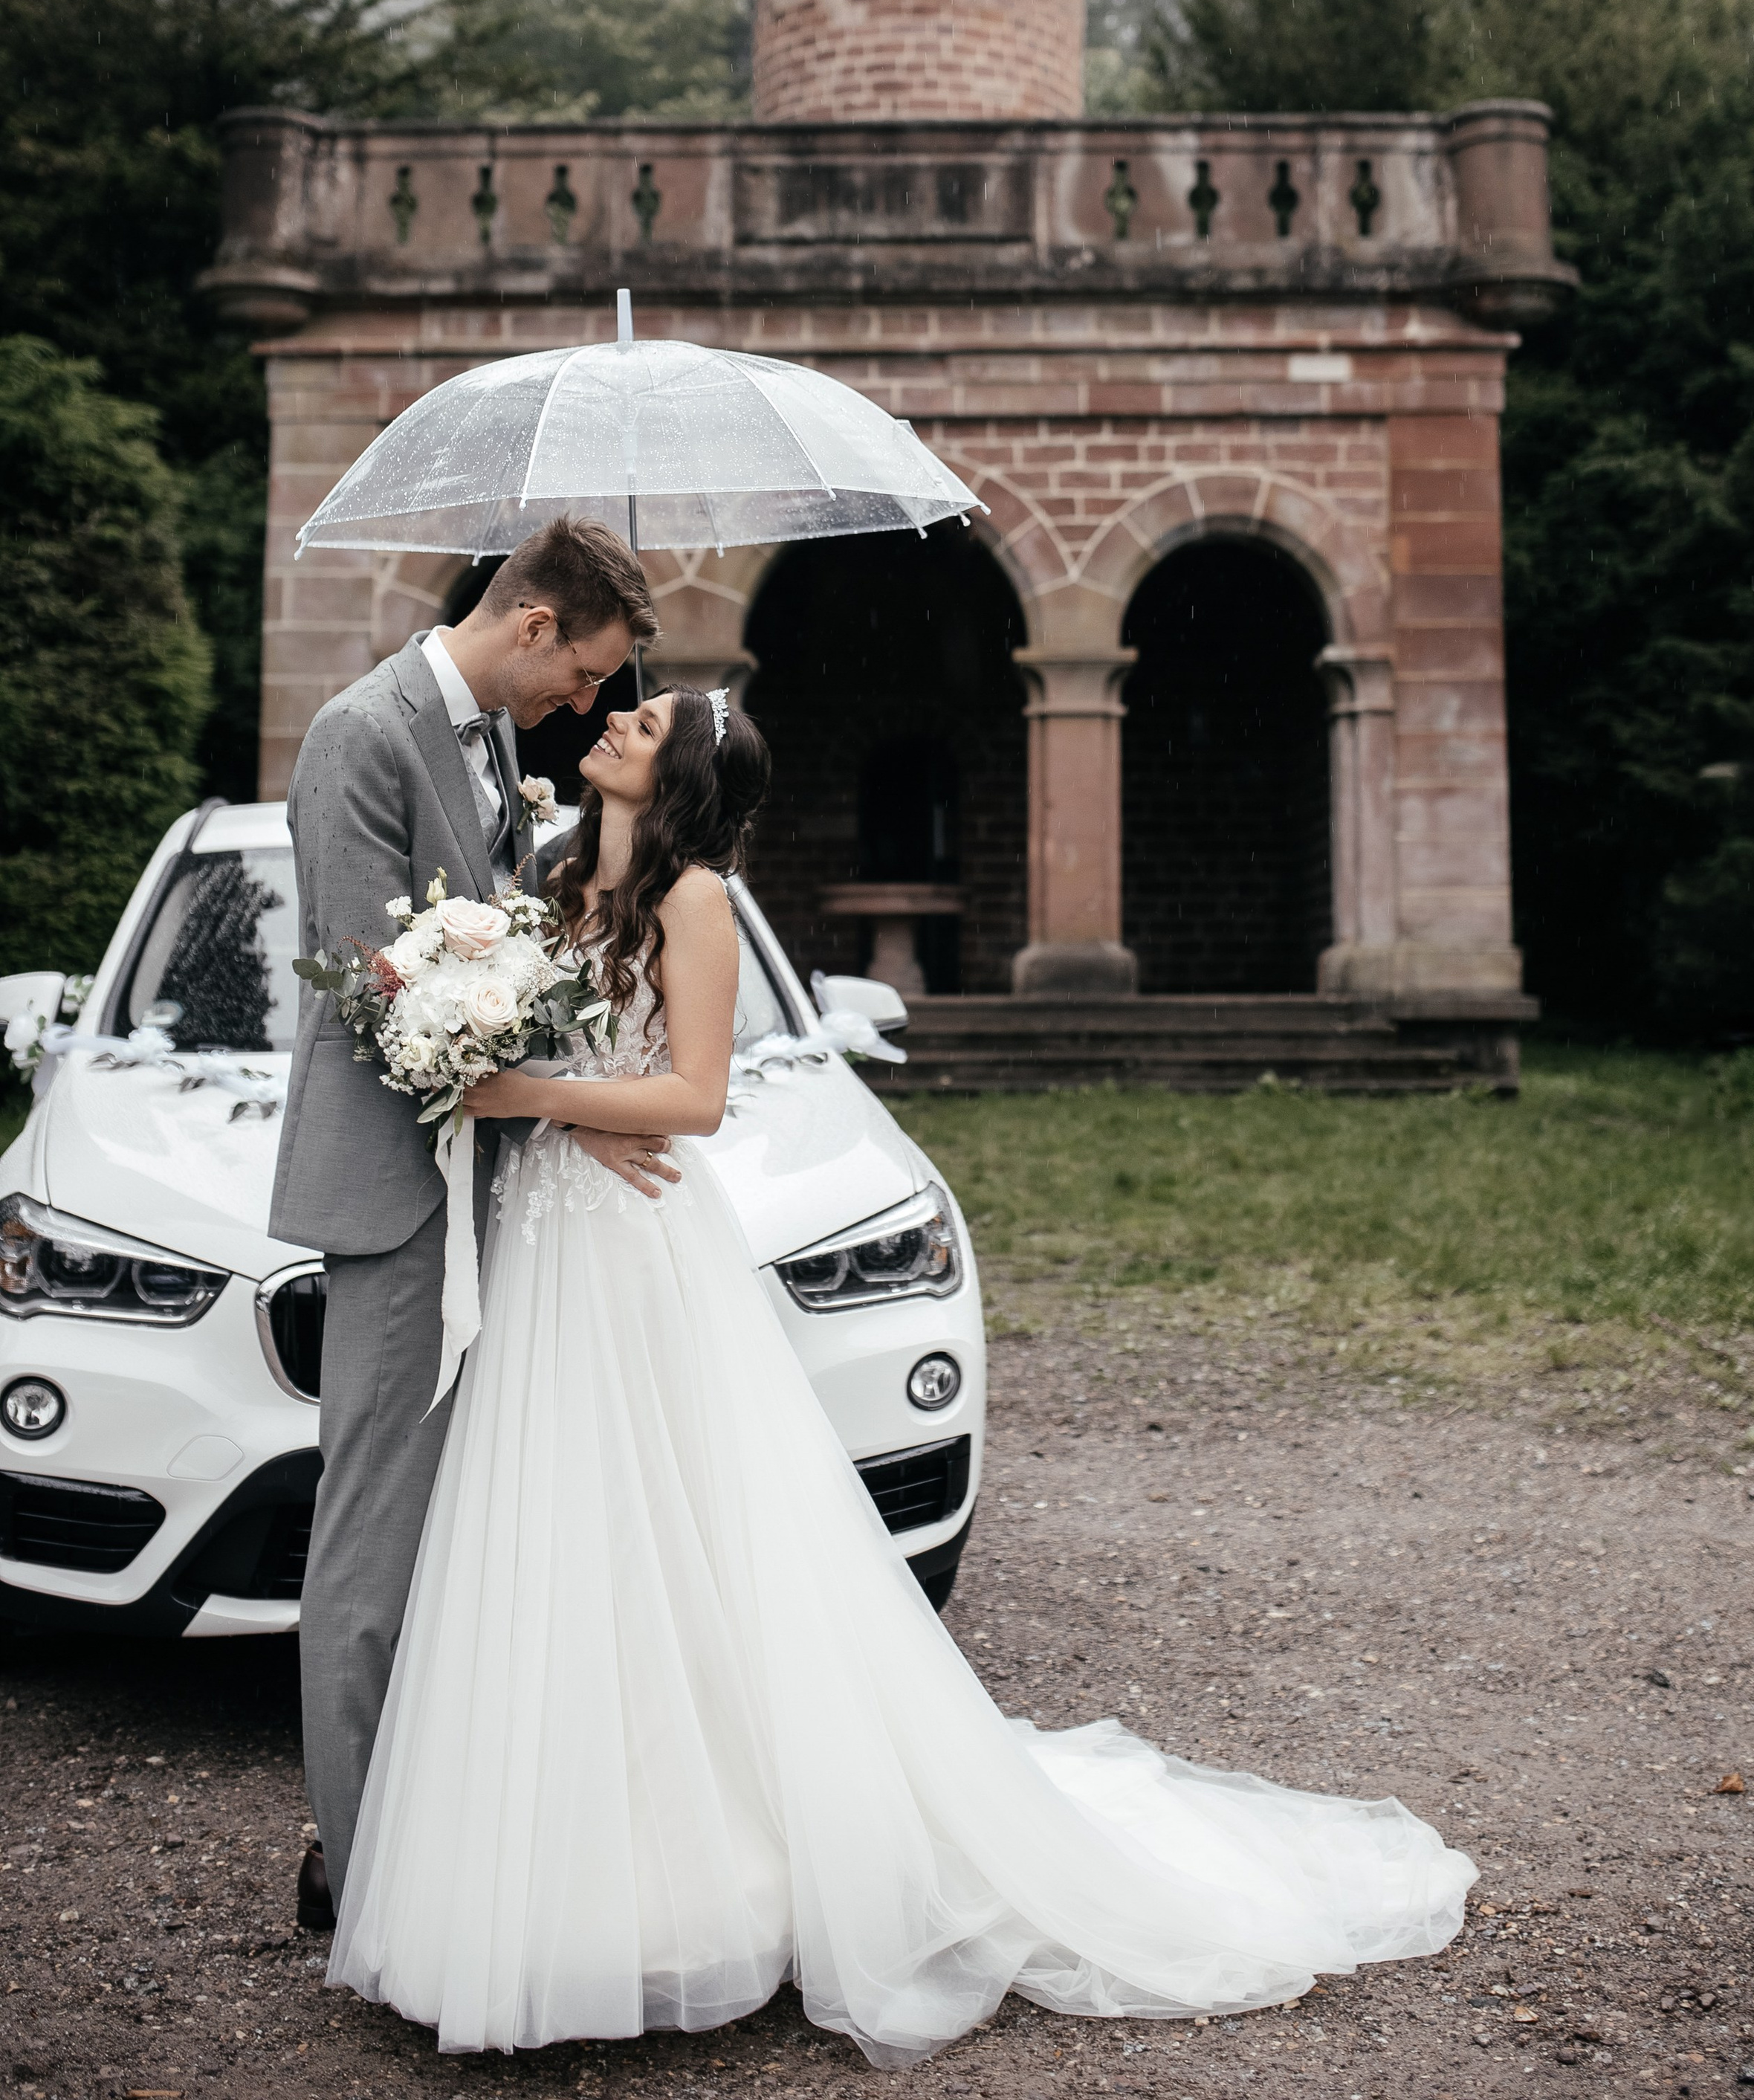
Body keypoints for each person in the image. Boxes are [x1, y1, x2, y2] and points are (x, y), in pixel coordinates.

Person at [328, 684, 1475, 2065]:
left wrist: (532, 1096)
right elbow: (523, 1036)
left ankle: (710, 1871)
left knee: (676, 1532)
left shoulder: (694, 899)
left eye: (646, 721)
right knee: (557, 1536)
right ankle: (557, 1864)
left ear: (680, 772)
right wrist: (475, 1048)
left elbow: (694, 1098)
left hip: (632, 1249)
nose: (620, 720)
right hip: (543, 1243)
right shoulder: (556, 872)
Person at [274, 515, 663, 1934]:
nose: (588, 710)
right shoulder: (356, 737)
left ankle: (436, 1830)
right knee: (374, 1544)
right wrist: (573, 1106)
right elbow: (381, 998)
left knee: (472, 1532)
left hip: (489, 1187)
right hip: (394, 1200)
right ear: (536, 627)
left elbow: (492, 944)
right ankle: (365, 1870)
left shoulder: (493, 740)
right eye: (587, 678)